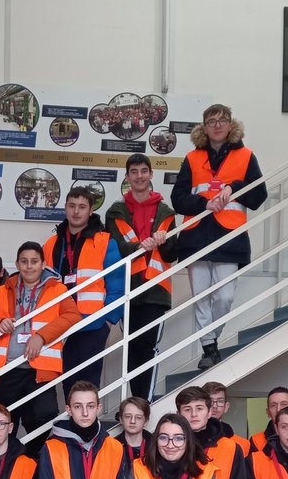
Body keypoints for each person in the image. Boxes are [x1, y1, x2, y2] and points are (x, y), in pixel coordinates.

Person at [170, 103, 266, 370]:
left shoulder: (246, 156)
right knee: (201, 297)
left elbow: (259, 197)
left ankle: (212, 338)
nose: (217, 125)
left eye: (222, 120)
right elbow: (178, 199)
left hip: (230, 237)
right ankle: (208, 348)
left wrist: (234, 187)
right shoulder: (191, 158)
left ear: (231, 124)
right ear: (204, 127)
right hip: (196, 237)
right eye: (211, 121)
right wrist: (204, 204)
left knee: (223, 297)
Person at [0, 242, 81, 458]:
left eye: (34, 261)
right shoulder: (1, 291)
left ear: (43, 264)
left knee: (44, 418)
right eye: (24, 261)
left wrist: (42, 337)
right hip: (6, 371)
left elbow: (72, 316)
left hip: (40, 370)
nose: (29, 266)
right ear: (17, 264)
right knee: (3, 424)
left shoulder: (57, 289)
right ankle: (9, 467)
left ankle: (33, 462)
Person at [105, 153, 176, 400]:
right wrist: (140, 247)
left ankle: (144, 402)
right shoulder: (116, 211)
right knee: (131, 347)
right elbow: (115, 249)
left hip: (156, 290)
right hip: (127, 289)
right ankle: (134, 402)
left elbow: (171, 253)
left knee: (148, 347)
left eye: (143, 171)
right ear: (126, 177)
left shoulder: (166, 212)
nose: (139, 176)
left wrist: (163, 241)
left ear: (151, 175)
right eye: (134, 172)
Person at [43, 186, 125, 395]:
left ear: (90, 211)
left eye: (82, 207)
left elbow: (117, 284)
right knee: (67, 382)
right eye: (72, 206)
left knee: (89, 382)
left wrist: (108, 320)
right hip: (60, 324)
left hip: (93, 323)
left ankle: (87, 424)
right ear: (65, 209)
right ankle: (73, 425)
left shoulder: (105, 241)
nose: (76, 212)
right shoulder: (51, 244)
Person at [203, 381, 250, 455]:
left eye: (220, 401)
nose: (215, 406)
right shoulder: (188, 440)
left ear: (226, 407)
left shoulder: (243, 444)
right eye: (210, 401)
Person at [249, 386, 288, 453]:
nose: (278, 409)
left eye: (284, 404)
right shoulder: (256, 441)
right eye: (273, 405)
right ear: (268, 412)